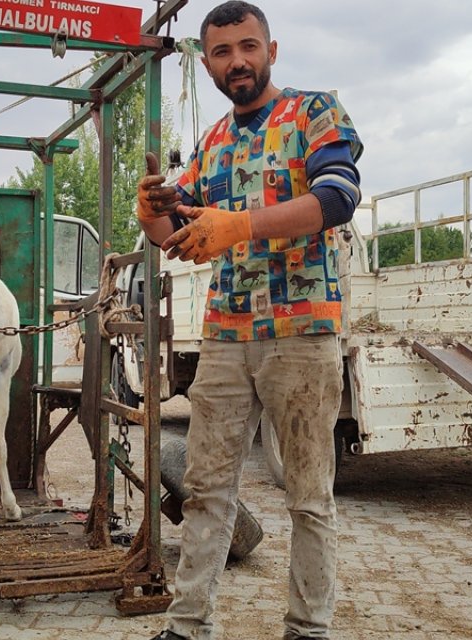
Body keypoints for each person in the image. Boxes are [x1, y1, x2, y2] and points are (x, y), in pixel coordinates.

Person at [137, 2, 362, 639]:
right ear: (207, 62)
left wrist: (239, 224)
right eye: (222, 51)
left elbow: (338, 196)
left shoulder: (314, 112)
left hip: (303, 328)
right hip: (228, 332)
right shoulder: (213, 143)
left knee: (308, 494)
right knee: (207, 488)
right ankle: (187, 627)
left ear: (271, 49)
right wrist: (152, 209)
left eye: (247, 46)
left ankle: (308, 628)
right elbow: (173, 234)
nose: (237, 60)